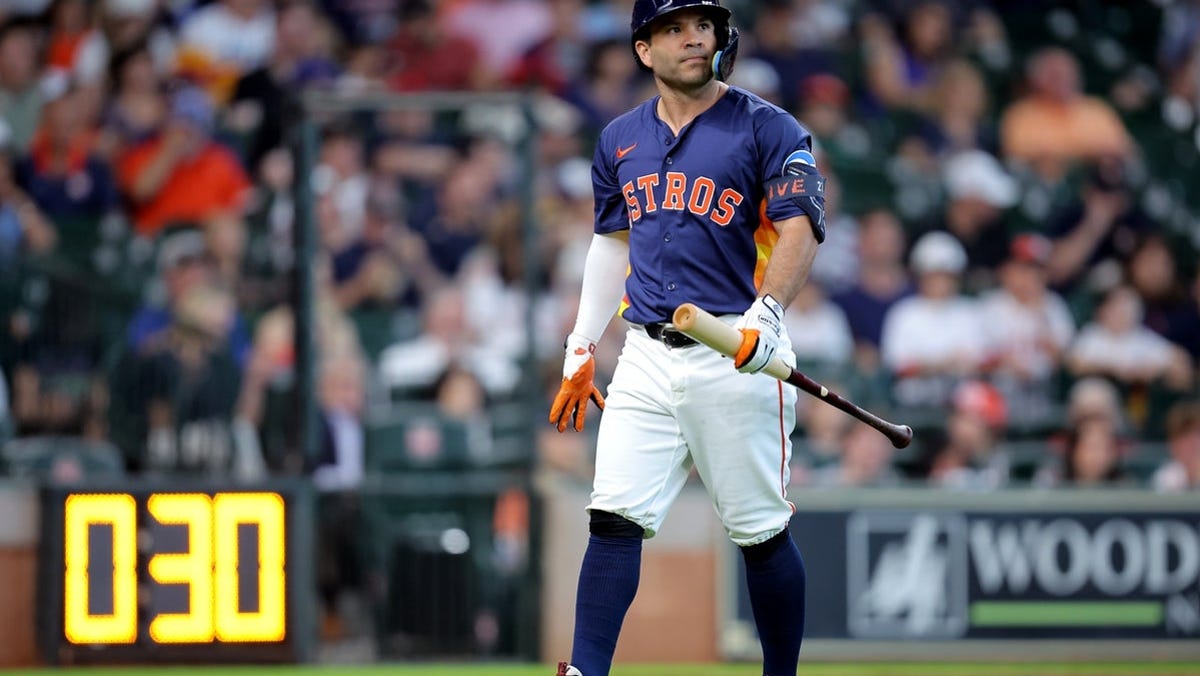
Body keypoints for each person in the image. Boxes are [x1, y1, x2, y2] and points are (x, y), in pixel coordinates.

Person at [547, 2, 826, 674]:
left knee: (759, 533)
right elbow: (612, 242)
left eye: (703, 23)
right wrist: (583, 343)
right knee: (612, 517)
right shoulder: (619, 137)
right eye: (674, 27)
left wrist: (770, 313)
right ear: (644, 50)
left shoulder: (769, 127)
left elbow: (799, 227)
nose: (695, 36)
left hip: (734, 350)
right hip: (644, 351)